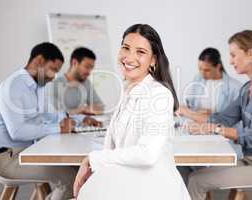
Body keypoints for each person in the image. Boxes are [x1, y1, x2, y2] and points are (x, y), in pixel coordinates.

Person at [73, 24, 191, 200]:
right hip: (126, 185)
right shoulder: (128, 92)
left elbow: (147, 154)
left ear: (153, 60)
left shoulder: (159, 94)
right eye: (126, 48)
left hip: (152, 190)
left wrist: (93, 159)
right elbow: (113, 147)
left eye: (140, 52)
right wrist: (97, 168)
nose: (129, 57)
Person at [185, 30, 252, 200]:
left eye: (233, 55)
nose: (230, 61)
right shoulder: (247, 88)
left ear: (251, 54)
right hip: (250, 160)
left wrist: (214, 129)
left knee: (197, 181)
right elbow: (222, 118)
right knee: (193, 174)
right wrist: (190, 115)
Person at [0, 42, 91, 200]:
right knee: (70, 180)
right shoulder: (13, 86)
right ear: (38, 61)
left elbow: (54, 115)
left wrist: (81, 119)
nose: (52, 77)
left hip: (29, 152)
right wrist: (58, 128)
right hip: (5, 158)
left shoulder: (38, 88)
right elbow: (17, 132)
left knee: (81, 168)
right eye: (53, 70)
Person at [176, 47, 241, 123]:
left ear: (218, 66)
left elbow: (235, 116)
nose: (202, 73)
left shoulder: (235, 87)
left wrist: (212, 114)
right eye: (200, 69)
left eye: (207, 70)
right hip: (195, 124)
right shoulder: (198, 79)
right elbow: (188, 103)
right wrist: (194, 112)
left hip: (217, 127)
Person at [52, 47, 104, 120]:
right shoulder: (55, 84)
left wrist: (83, 110)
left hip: (82, 126)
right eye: (87, 67)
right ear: (74, 63)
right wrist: (81, 110)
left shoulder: (86, 83)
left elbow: (100, 107)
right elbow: (55, 114)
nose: (89, 72)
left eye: (91, 68)